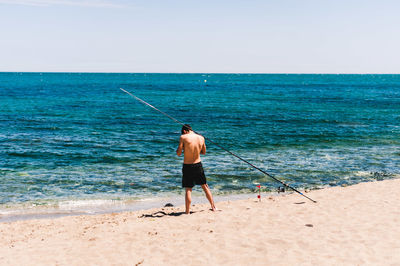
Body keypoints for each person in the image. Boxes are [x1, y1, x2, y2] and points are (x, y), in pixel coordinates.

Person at [176, 124, 216, 214]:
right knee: (205, 186)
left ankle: (187, 212)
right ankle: (213, 207)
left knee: (188, 189)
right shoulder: (201, 138)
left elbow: (178, 153)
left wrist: (182, 149)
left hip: (187, 165)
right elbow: (204, 152)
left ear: (185, 131)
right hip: (198, 165)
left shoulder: (183, 137)